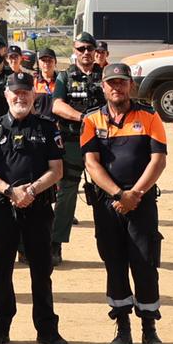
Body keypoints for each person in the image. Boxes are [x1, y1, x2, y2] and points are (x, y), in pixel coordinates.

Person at [0, 72, 65, 344]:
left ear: (34, 95)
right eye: (15, 92)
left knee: (41, 270)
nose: (20, 96)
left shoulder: (48, 128)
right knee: (1, 270)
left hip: (38, 209)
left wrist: (32, 191)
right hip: (4, 209)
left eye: (26, 91)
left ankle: (47, 329)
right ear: (6, 95)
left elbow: (57, 170)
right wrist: (10, 191)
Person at [82, 62, 168, 344]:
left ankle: (149, 329)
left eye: (122, 82)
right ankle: (123, 327)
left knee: (145, 264)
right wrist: (119, 193)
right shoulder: (92, 120)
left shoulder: (150, 116)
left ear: (131, 85)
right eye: (111, 83)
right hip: (107, 204)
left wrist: (135, 194)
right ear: (103, 87)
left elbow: (158, 160)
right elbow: (91, 163)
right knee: (114, 264)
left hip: (141, 202)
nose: (117, 87)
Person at [49, 33, 105, 266]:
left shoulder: (105, 76)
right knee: (67, 191)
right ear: (75, 50)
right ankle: (55, 243)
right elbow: (57, 105)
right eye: (81, 48)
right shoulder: (64, 76)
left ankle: (111, 241)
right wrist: (84, 118)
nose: (85, 52)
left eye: (89, 48)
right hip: (73, 140)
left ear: (95, 51)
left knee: (107, 190)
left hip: (103, 141)